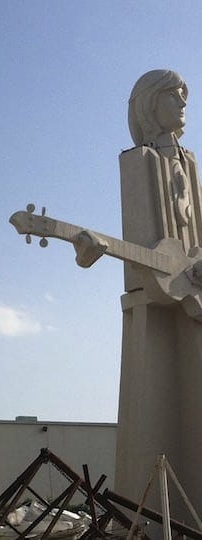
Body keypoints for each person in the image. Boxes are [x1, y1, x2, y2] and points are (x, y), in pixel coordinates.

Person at [115, 69, 202, 520]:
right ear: (150, 104)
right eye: (173, 95)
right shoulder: (139, 161)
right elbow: (144, 252)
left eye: (185, 95)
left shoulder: (191, 163)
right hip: (156, 301)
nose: (184, 103)